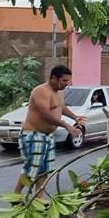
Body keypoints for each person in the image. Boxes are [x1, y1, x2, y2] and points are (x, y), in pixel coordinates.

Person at [14, 65, 86, 201]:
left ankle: (38, 200)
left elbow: (62, 108)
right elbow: (45, 114)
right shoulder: (41, 91)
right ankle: (15, 197)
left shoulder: (59, 92)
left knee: (45, 170)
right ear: (54, 78)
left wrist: (75, 117)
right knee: (32, 168)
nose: (67, 84)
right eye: (64, 81)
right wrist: (66, 126)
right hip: (33, 135)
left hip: (47, 136)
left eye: (68, 81)